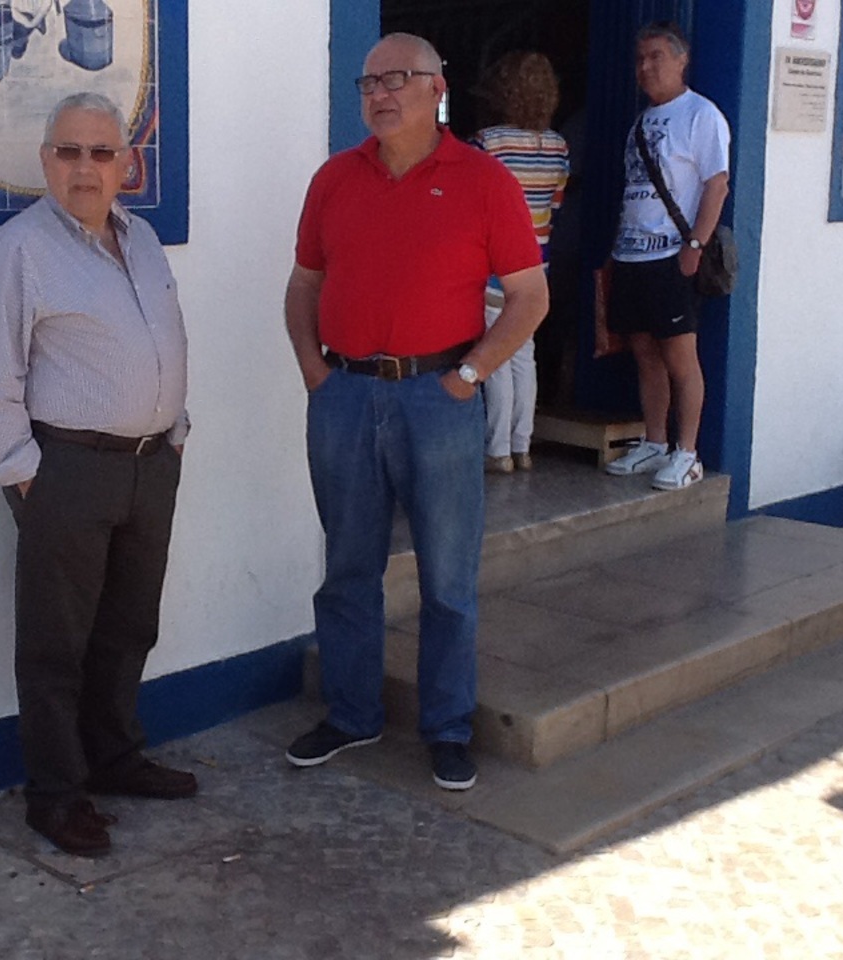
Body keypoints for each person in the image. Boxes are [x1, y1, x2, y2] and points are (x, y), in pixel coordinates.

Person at [283, 33, 549, 790]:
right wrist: (314, 370)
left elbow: (530, 298)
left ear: (438, 88)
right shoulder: (335, 179)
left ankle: (448, 727)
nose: (379, 94)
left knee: (448, 579)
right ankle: (351, 714)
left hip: (439, 400)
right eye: (369, 83)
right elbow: (303, 284)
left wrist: (469, 376)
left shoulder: (485, 181)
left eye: (396, 79)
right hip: (344, 396)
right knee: (347, 569)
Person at [0, 92, 196, 859]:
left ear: (126, 163)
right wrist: (26, 474)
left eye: (102, 152)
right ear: (46, 161)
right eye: (69, 151)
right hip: (66, 469)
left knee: (129, 626)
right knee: (56, 645)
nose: (85, 167)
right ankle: (57, 795)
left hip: (149, 467)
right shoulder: (20, 248)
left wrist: (174, 433)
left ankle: (115, 757)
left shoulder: (143, 239)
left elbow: (165, 335)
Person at [604, 22, 730, 489]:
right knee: (645, 354)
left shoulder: (701, 115)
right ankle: (655, 443)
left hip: (672, 256)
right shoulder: (640, 123)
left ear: (681, 59)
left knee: (680, 357)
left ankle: (688, 452)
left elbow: (717, 184)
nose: (645, 67)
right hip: (632, 255)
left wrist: (694, 246)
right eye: (640, 59)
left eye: (656, 56)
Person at [472, 51, 570, 474]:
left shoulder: (488, 143)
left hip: (495, 266)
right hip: (535, 267)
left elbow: (471, 206)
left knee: (494, 357)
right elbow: (556, 204)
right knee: (522, 355)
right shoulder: (558, 146)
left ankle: (497, 450)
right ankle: (522, 446)